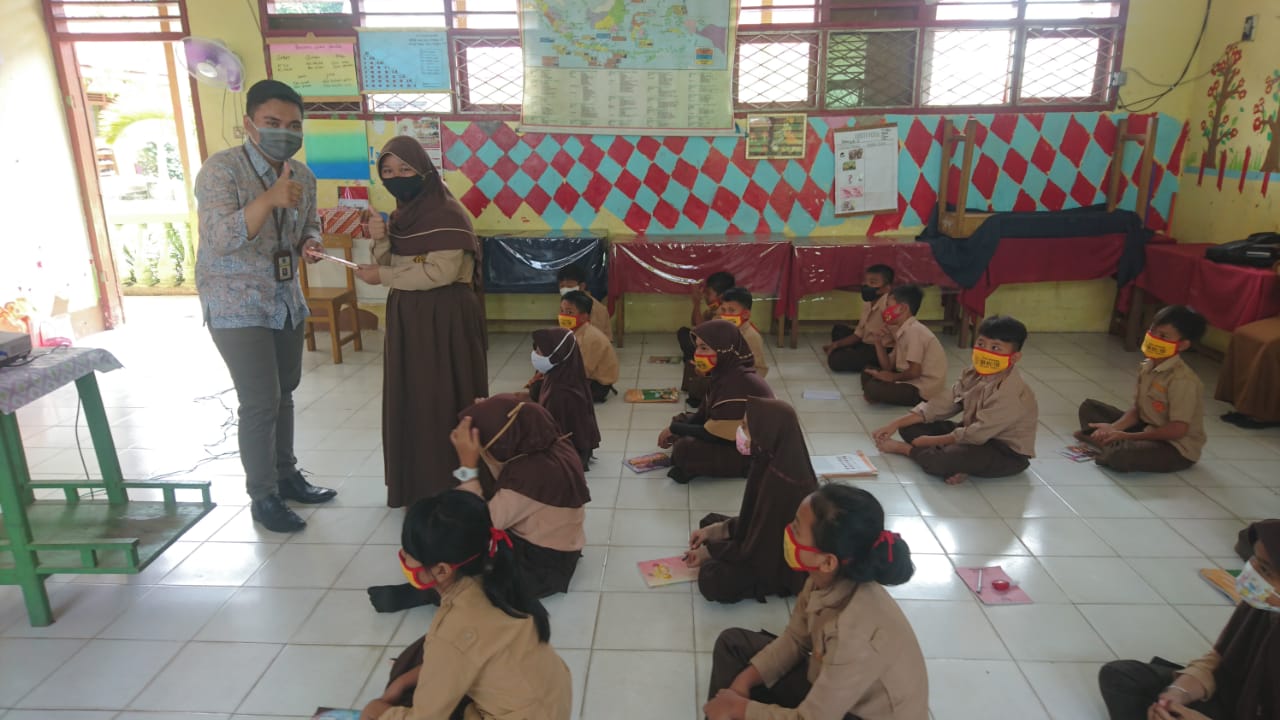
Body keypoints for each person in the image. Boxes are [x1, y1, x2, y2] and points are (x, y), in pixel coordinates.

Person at [194, 79, 335, 533]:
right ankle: (263, 496)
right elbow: (220, 238)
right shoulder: (222, 170)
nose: (284, 133)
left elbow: (308, 224)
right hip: (236, 302)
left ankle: (286, 475)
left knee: (285, 391)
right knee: (259, 401)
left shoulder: (303, 176)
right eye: (273, 122)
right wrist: (269, 199)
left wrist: (310, 243)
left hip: (284, 298)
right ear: (249, 124)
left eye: (293, 126)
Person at [704, 484, 928, 720]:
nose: (788, 532)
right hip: (834, 695)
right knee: (733, 645)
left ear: (828, 561)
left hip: (856, 715)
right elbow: (794, 640)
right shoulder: (821, 578)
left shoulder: (855, 634)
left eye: (796, 529)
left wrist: (740, 708)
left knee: (740, 704)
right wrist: (741, 685)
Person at [356, 135, 488, 509]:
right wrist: (380, 240)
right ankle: (416, 482)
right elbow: (393, 263)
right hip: (409, 317)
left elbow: (439, 272)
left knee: (443, 396)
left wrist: (383, 276)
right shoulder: (402, 216)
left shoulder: (448, 215)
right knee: (412, 397)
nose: (396, 177)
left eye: (405, 169)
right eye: (387, 171)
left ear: (425, 171)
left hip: (445, 318)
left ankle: (455, 481)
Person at [360, 490, 573, 720]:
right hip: (550, 703)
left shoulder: (454, 630)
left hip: (525, 714)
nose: (403, 556)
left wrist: (376, 712)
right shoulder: (496, 579)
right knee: (418, 655)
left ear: (442, 570)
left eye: (409, 554)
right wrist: (404, 680)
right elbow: (461, 655)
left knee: (408, 675)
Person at [367, 395, 589, 613]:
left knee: (471, 568)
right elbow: (516, 413)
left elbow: (476, 522)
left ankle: (427, 594)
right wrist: (493, 412)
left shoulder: (528, 481)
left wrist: (468, 467)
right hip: (554, 544)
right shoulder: (549, 445)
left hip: (542, 566)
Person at [1097, 519, 1280, 720]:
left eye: (1265, 570)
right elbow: (1219, 662)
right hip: (1237, 698)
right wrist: (1178, 693)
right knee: (1122, 676)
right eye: (1253, 559)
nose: (1252, 572)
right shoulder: (1261, 606)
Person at [873, 316, 1037, 485]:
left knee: (939, 461)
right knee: (909, 426)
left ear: (1014, 357)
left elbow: (978, 434)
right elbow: (945, 402)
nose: (985, 352)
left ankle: (907, 451)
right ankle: (958, 464)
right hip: (969, 435)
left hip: (1004, 452)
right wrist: (895, 423)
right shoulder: (974, 373)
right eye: (981, 344)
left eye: (995, 348)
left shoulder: (1012, 391)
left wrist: (930, 441)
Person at [685, 397, 818, 603]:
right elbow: (755, 518)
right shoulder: (770, 459)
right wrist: (716, 531)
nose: (740, 432)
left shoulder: (782, 484)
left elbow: (758, 550)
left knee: (712, 578)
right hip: (767, 540)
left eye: (746, 427)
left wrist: (710, 552)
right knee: (710, 522)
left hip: (778, 560)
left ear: (766, 432)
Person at [1076, 305, 1207, 473]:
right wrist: (1114, 427)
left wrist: (1129, 436)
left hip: (1173, 446)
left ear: (1182, 345)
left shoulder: (1183, 380)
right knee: (1089, 407)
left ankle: (1110, 444)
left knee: (1121, 455)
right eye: (1152, 331)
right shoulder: (1147, 366)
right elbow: (1138, 409)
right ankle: (1110, 441)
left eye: (1163, 336)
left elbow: (1177, 430)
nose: (1153, 338)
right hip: (1146, 426)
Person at [658, 320, 773, 484]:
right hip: (731, 435)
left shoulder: (740, 382)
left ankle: (702, 466)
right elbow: (703, 414)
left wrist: (675, 429)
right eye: (697, 347)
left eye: (704, 348)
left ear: (723, 349)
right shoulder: (725, 372)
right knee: (681, 420)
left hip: (751, 453)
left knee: (685, 448)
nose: (697, 353)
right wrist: (677, 428)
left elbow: (713, 435)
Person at [862, 285, 947, 406]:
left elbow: (915, 372)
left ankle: (874, 392)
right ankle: (875, 392)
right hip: (908, 378)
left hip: (921, 389)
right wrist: (878, 342)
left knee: (873, 388)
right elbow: (887, 366)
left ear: (902, 308)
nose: (885, 311)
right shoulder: (903, 330)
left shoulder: (915, 331)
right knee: (867, 370)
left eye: (888, 306)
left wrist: (892, 377)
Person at [529, 328, 601, 468]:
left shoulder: (560, 393)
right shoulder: (566, 372)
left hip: (566, 453)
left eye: (539, 351)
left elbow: (551, 433)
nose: (535, 355)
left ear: (556, 355)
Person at [824, 264, 894, 373]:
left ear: (886, 288)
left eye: (873, 282)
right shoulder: (868, 301)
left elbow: (897, 339)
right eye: (865, 281)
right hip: (865, 341)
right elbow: (859, 334)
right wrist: (837, 344)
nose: (866, 285)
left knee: (836, 361)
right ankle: (850, 352)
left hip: (879, 348)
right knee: (839, 330)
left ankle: (866, 361)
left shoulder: (889, 305)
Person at [679, 271, 736, 405]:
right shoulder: (715, 308)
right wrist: (697, 305)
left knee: (690, 340)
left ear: (721, 296)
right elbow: (694, 323)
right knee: (683, 333)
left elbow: (701, 333)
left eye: (708, 293)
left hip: (719, 358)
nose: (705, 296)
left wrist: (697, 303)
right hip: (712, 350)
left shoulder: (724, 312)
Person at [559, 290, 618, 402]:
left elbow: (583, 371)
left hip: (596, 385)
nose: (563, 316)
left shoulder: (591, 337)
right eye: (562, 311)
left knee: (546, 389)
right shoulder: (573, 331)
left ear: (584, 316)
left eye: (569, 312)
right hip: (580, 377)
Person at [556, 263, 611, 341]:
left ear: (582, 286)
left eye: (569, 286)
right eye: (562, 286)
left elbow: (594, 337)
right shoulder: (567, 303)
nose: (565, 289)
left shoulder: (595, 308)